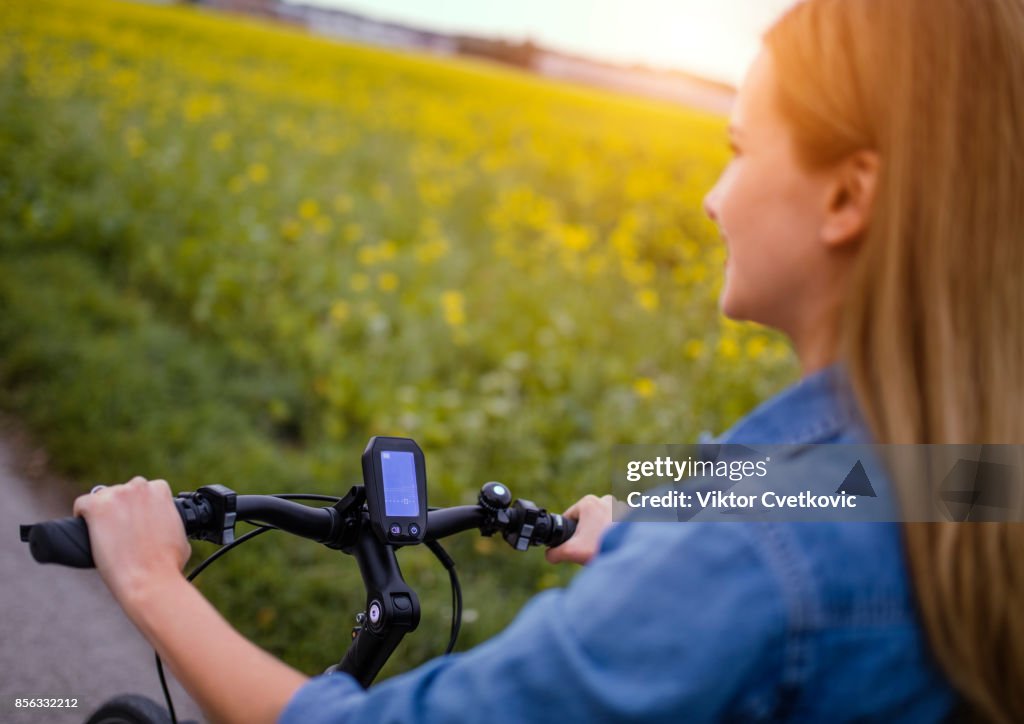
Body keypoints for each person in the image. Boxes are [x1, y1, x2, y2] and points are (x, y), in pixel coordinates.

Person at [73, 0, 1024, 721]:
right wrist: (644, 546)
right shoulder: (978, 484)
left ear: (847, 198)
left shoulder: (743, 561)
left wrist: (151, 580)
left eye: (738, 150)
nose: (711, 198)